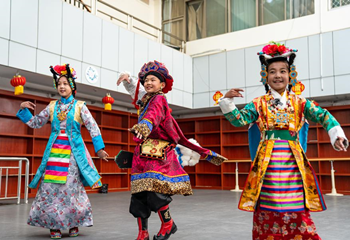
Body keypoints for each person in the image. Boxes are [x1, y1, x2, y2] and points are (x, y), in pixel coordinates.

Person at [218, 42, 348, 239]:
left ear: (290, 75)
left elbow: (323, 115)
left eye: (282, 71)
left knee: (295, 204)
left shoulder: (300, 102)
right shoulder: (258, 103)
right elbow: (239, 120)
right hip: (267, 164)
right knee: (267, 205)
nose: (277, 75)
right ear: (266, 76)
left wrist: (337, 134)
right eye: (272, 71)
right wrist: (227, 101)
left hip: (292, 163)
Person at [117, 60, 226, 240]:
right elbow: (139, 94)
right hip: (142, 154)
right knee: (138, 194)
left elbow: (153, 116)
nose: (148, 83)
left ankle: (168, 224)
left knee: (155, 192)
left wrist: (143, 126)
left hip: (159, 154)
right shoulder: (146, 99)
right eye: (146, 80)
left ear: (162, 84)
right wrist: (129, 80)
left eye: (153, 79)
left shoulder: (159, 100)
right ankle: (142, 232)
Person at [17, 64, 109, 239]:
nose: (62, 86)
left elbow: (93, 127)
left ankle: (73, 223)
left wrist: (100, 149)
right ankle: (54, 226)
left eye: (66, 83)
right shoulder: (52, 106)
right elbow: (36, 123)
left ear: (72, 86)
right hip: (53, 155)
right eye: (59, 83)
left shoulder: (80, 106)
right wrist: (23, 110)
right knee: (50, 189)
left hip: (73, 156)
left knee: (72, 189)